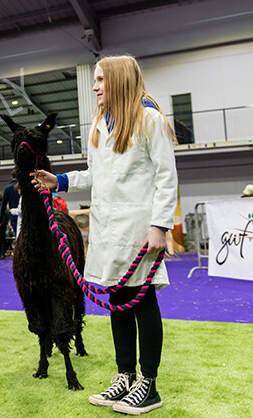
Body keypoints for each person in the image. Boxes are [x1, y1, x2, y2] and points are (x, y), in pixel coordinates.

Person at [32, 55, 177, 415]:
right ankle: (125, 376)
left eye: (100, 80)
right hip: (108, 229)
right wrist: (59, 181)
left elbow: (166, 178)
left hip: (139, 230)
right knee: (117, 304)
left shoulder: (150, 119)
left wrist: (161, 226)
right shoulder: (100, 125)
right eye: (94, 80)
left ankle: (149, 384)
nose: (95, 87)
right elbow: (95, 174)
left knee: (141, 302)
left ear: (119, 79)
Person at [0, 175, 20, 257]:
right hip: (25, 215)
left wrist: (0, 219)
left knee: (17, 236)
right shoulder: (23, 186)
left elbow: (3, 205)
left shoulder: (8, 188)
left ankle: (18, 254)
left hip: (14, 216)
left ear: (11, 177)